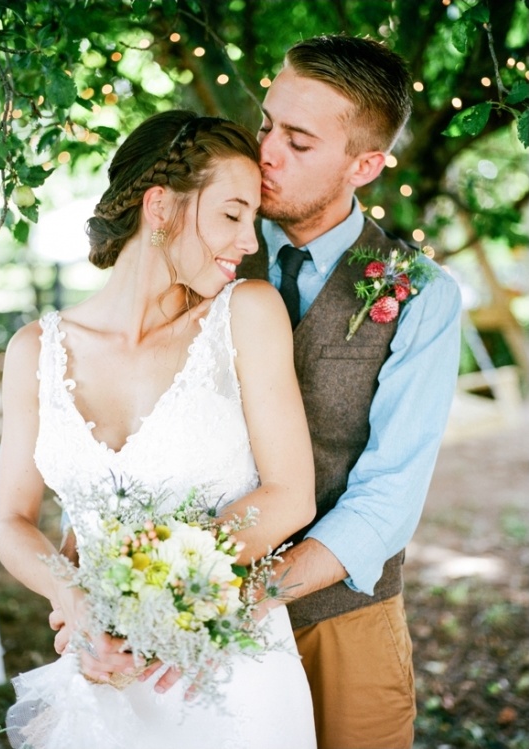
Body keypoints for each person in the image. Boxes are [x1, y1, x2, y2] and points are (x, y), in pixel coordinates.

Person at [0, 111, 318, 749]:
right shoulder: (35, 349)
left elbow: (289, 496)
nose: (249, 241)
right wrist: (80, 603)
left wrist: (149, 593)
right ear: (160, 205)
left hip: (228, 684)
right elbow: (12, 521)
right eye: (231, 214)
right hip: (101, 676)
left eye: (253, 219)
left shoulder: (247, 314)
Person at [233, 34, 461, 749]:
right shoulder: (212, 254)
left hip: (345, 619)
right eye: (267, 124)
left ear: (364, 164)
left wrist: (239, 595)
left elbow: (390, 496)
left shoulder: (422, 293)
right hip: (204, 624)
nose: (265, 152)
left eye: (298, 141)